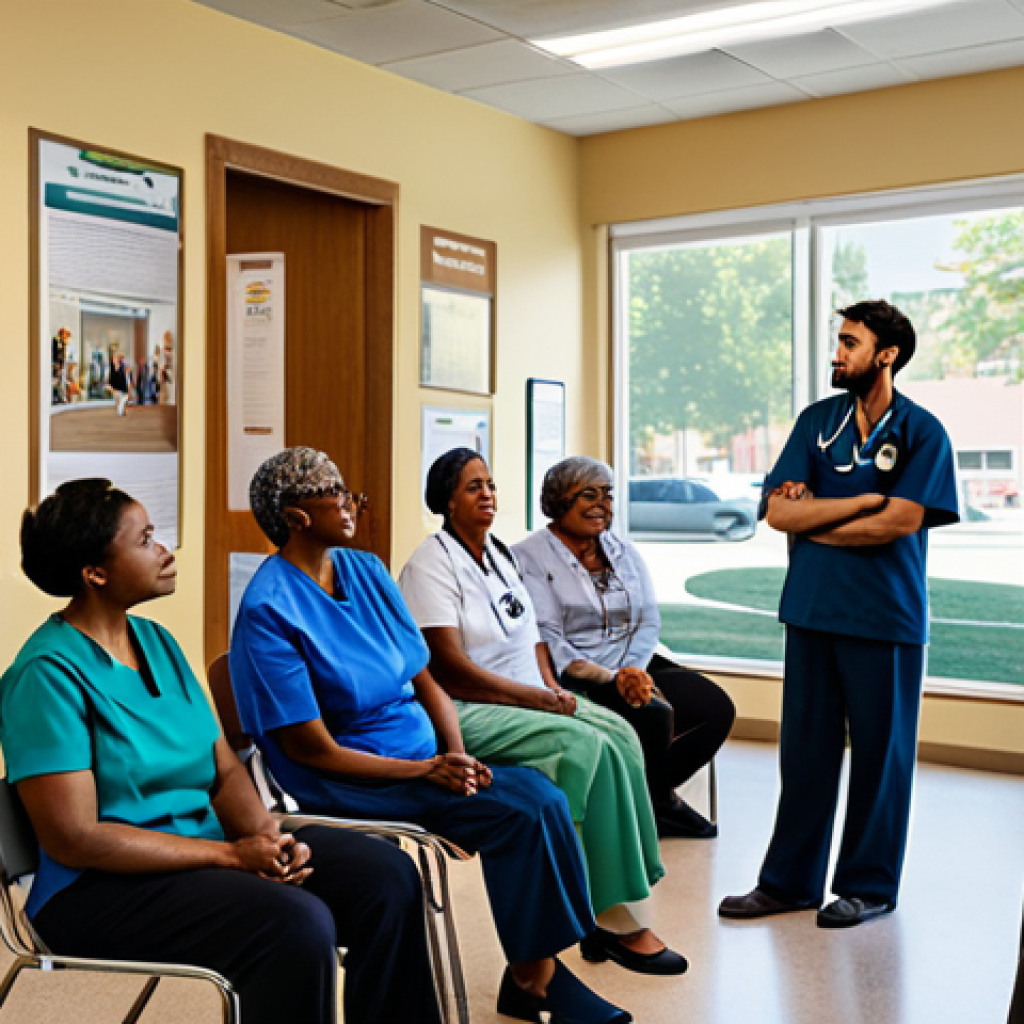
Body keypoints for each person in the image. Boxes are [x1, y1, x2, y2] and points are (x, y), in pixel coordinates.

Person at [0, 478, 442, 1024]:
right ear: (95, 573)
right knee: (295, 922)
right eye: (145, 541)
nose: (164, 551)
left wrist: (267, 837)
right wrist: (232, 856)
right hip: (96, 890)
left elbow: (224, 770)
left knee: (386, 876)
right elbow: (74, 838)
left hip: (201, 854)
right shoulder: (44, 676)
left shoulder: (158, 642)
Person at [230, 447, 632, 1024]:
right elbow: (308, 749)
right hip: (343, 777)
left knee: (542, 797)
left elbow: (428, 681)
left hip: (421, 758)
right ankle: (536, 983)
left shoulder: (364, 570)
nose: (351, 503)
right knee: (519, 811)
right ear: (295, 516)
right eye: (335, 493)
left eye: (349, 491)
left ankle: (537, 971)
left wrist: (456, 756)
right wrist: (424, 771)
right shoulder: (269, 609)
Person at [719, 300, 959, 929]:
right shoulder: (816, 422)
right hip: (811, 611)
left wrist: (821, 511)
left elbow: (902, 521)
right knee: (804, 752)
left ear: (887, 354)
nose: (838, 353)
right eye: (839, 341)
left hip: (885, 618)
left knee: (881, 759)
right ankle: (788, 883)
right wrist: (861, 505)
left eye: (851, 343)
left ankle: (867, 885)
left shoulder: (922, 432)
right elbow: (779, 514)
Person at [400, 448, 685, 977]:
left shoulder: (499, 554)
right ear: (445, 500)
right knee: (583, 746)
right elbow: (450, 670)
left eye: (489, 483)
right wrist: (536, 700)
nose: (487, 494)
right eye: (472, 487)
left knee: (620, 732)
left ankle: (622, 892)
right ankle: (602, 911)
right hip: (469, 707)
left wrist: (551, 686)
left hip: (527, 692)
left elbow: (531, 637)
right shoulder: (430, 564)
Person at [513, 456, 736, 841]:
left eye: (608, 494)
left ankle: (646, 802)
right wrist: (611, 678)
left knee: (715, 708)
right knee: (653, 715)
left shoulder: (622, 550)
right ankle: (660, 806)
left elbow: (648, 619)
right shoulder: (528, 556)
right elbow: (548, 633)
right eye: (589, 494)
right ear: (558, 501)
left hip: (636, 663)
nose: (603, 504)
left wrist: (635, 671)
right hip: (577, 670)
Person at [107, 351, 131, 416]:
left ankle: (121, 411)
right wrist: (110, 385)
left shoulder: (122, 366)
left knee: (123, 399)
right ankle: (121, 410)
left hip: (121, 386)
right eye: (114, 358)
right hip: (117, 386)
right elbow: (111, 377)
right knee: (119, 400)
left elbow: (125, 375)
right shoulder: (113, 367)